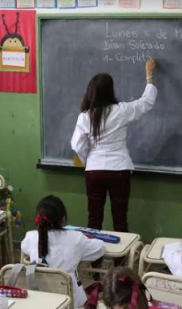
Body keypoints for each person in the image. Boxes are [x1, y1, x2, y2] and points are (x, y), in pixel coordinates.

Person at [71, 58, 158, 235]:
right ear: (110, 91)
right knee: (120, 219)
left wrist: (90, 160)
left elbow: (77, 145)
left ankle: (95, 262)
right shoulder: (121, 111)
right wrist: (149, 76)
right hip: (119, 169)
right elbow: (146, 102)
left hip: (94, 171)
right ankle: (121, 261)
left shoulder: (85, 117)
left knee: (94, 219)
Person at [21, 195, 105, 308]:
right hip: (70, 302)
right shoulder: (76, 238)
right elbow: (100, 249)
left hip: (39, 299)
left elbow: (24, 248)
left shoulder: (31, 237)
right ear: (63, 219)